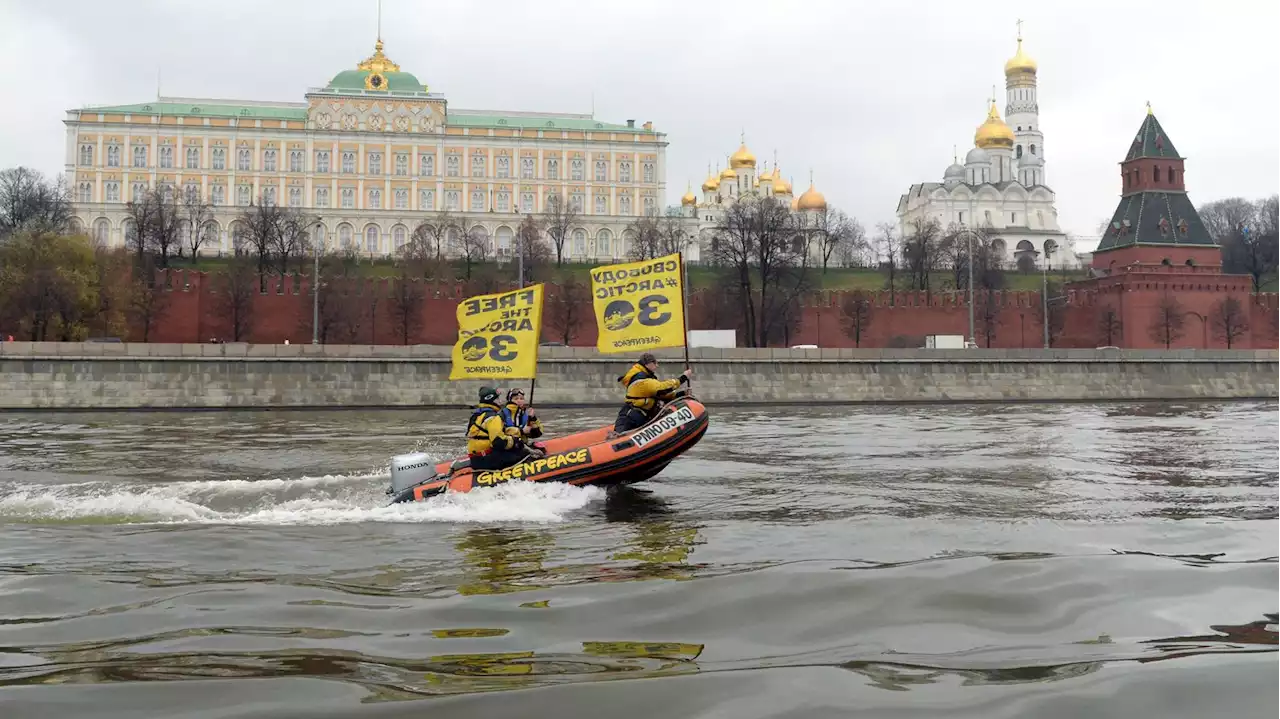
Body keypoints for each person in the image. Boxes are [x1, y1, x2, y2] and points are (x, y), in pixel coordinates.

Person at [613, 352, 692, 434]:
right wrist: (683, 378)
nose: (657, 365)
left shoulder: (645, 377)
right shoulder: (641, 379)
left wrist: (682, 393)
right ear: (648, 364)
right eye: (655, 363)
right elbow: (662, 388)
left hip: (638, 417)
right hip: (629, 419)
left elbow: (661, 395)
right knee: (620, 439)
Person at [466, 386, 530, 471]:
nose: (500, 401)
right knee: (524, 453)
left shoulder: (479, 414)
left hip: (476, 458)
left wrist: (519, 431)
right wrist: (515, 442)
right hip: (486, 459)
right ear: (492, 400)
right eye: (498, 399)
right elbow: (499, 442)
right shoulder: (493, 417)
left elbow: (497, 431)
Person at [502, 388, 546, 457]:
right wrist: (522, 431)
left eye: (521, 399)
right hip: (509, 446)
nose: (519, 401)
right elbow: (501, 432)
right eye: (516, 399)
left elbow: (538, 433)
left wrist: (532, 418)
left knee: (542, 450)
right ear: (510, 400)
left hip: (523, 445)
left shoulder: (526, 413)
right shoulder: (503, 414)